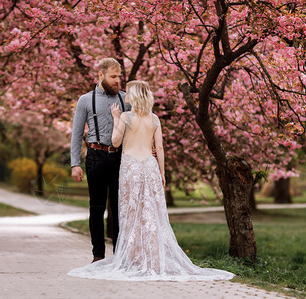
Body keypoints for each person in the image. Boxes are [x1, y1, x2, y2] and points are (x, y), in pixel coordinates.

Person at [68, 81, 235, 281]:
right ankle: (153, 257)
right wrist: (162, 173)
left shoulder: (125, 116)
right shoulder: (155, 119)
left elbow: (115, 142)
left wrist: (115, 119)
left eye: (128, 93)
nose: (125, 95)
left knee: (131, 212)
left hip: (131, 167)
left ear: (135, 96)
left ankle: (133, 257)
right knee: (152, 213)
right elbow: (160, 148)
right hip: (150, 166)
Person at [70, 58, 131, 263]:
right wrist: (75, 164)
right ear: (101, 75)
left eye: (119, 77)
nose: (117, 81)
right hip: (95, 157)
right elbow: (77, 134)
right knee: (96, 207)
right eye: (113, 77)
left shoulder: (126, 99)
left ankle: (119, 254)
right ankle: (98, 256)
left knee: (119, 207)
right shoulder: (85, 100)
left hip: (120, 157)